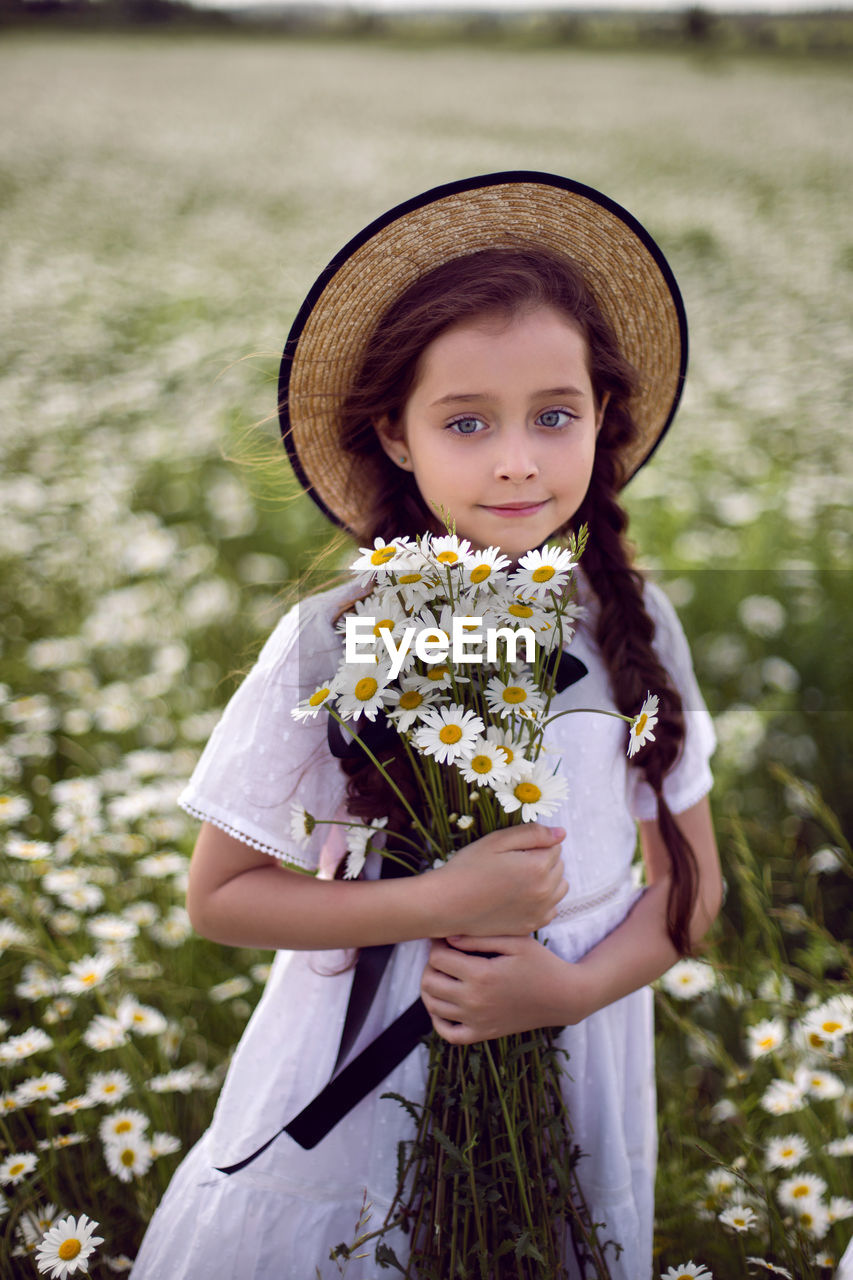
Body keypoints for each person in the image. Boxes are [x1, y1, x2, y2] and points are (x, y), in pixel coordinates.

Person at [132, 172, 722, 1279]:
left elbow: (693, 889)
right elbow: (219, 896)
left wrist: (569, 987)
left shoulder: (635, 626)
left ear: (603, 416)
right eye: (466, 421)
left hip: (573, 1040)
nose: (517, 459)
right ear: (395, 437)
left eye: (556, 414)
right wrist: (444, 901)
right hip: (368, 1053)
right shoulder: (339, 634)